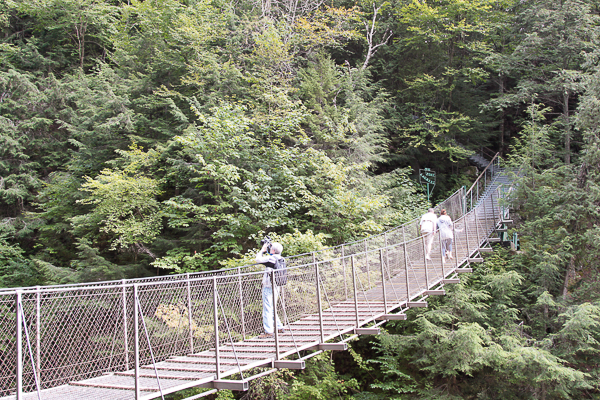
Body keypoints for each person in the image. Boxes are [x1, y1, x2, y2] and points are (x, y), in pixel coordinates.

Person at [256, 241, 285, 338]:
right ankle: (279, 327)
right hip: (277, 285)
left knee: (267, 308)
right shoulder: (281, 259)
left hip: (269, 286)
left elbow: (258, 259)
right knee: (272, 307)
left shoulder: (271, 258)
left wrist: (262, 250)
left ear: (273, 250)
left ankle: (268, 331)